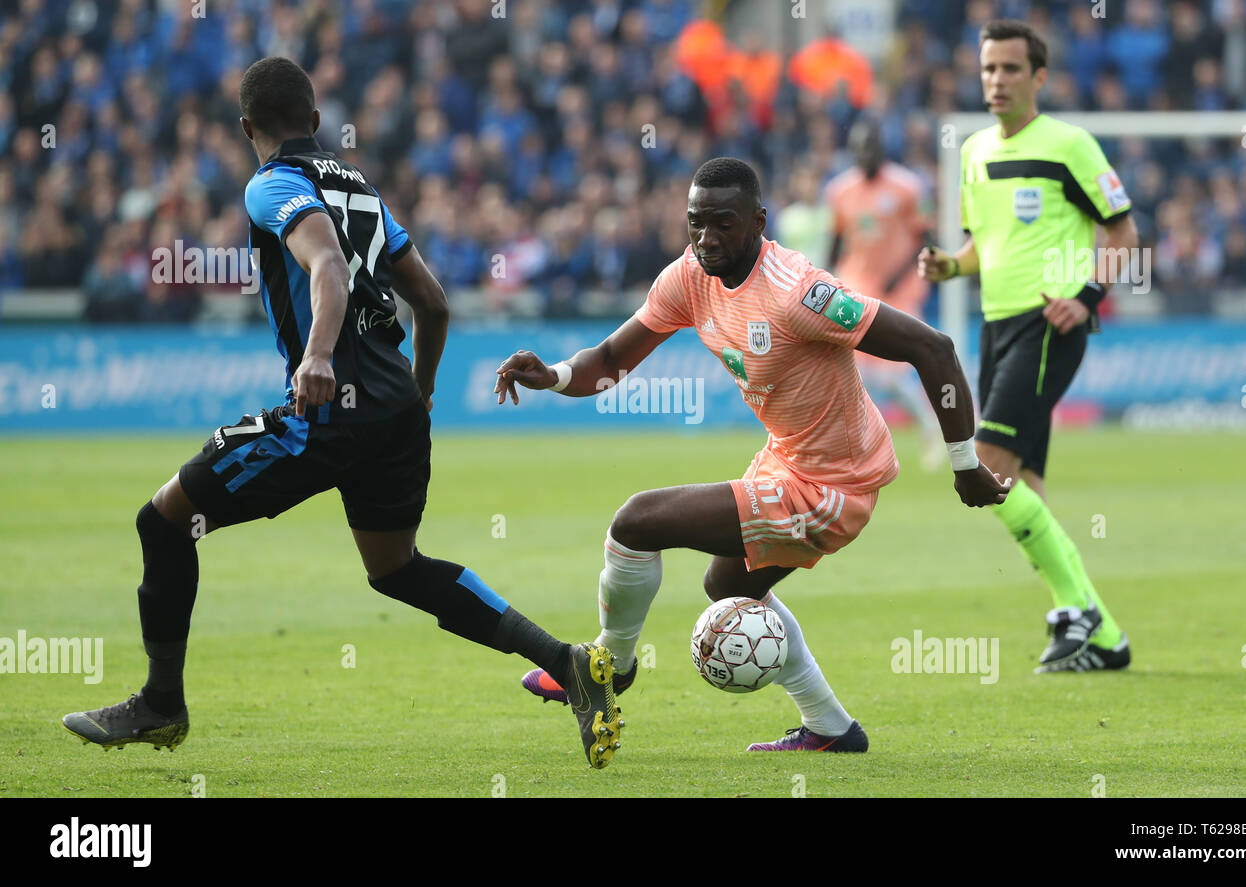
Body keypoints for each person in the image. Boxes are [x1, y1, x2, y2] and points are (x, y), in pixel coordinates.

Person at [61, 57, 624, 770]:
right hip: (392, 404)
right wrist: (419, 395)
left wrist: (318, 357)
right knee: (394, 566)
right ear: (317, 121)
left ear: (246, 128)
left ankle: (161, 703)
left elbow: (324, 264)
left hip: (330, 406)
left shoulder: (271, 185)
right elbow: (434, 302)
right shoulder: (361, 187)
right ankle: (567, 660)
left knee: (163, 518)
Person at [495, 157, 1009, 752]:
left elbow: (934, 348)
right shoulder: (690, 276)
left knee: (636, 523)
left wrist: (965, 462)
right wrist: (555, 375)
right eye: (696, 223)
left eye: (723, 224)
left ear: (758, 221)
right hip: (786, 459)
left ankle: (609, 665)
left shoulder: (802, 295)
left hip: (831, 487)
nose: (707, 239)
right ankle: (832, 729)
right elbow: (611, 360)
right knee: (729, 586)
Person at [918, 20, 1139, 673]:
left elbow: (1124, 232)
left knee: (984, 467)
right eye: (988, 69)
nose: (996, 80)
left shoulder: (1071, 144)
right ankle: (1102, 634)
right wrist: (950, 267)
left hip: (1050, 324)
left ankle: (1078, 613)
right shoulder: (975, 151)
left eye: (1011, 69)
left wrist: (1089, 296)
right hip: (996, 327)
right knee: (1023, 485)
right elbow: (984, 245)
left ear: (1038, 77)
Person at [826, 116, 945, 471]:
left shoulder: (908, 187)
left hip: (901, 289)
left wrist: (900, 274)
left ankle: (930, 429)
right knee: (857, 372)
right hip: (858, 284)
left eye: (871, 147)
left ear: (882, 149)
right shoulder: (839, 191)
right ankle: (859, 444)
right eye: (859, 148)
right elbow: (835, 243)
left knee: (892, 373)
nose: (866, 153)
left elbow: (927, 238)